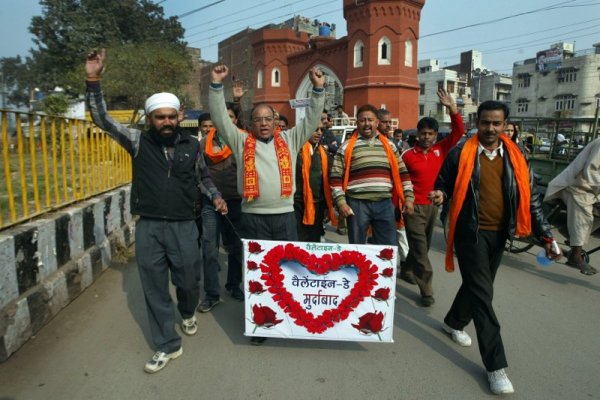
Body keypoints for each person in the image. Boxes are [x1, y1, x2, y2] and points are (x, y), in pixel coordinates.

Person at [85, 49, 227, 373]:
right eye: (159, 117)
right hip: (149, 227)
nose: (166, 121)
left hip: (184, 226)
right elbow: (101, 120)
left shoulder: (191, 145)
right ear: (150, 119)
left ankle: (188, 311)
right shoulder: (137, 141)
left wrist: (216, 196)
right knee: (154, 288)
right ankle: (167, 344)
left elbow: (203, 177)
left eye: (170, 116)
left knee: (189, 281)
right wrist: (93, 80)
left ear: (179, 116)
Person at [430, 100, 559, 395]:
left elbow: (532, 199)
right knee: (484, 296)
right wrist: (440, 193)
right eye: (485, 122)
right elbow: (444, 182)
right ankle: (496, 366)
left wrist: (548, 236)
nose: (490, 129)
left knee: (478, 287)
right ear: (478, 122)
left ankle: (453, 322)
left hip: (500, 235)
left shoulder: (517, 156)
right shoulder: (461, 152)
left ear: (506, 125)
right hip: (468, 233)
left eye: (496, 123)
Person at [209, 64, 325, 345]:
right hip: (252, 218)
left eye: (268, 119)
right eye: (257, 119)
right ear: (250, 124)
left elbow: (311, 119)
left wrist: (318, 89)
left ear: (275, 122)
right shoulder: (241, 141)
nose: (263, 123)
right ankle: (260, 324)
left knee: (288, 271)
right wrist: (216, 86)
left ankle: (288, 316)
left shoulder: (290, 139)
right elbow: (221, 120)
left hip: (285, 217)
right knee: (258, 273)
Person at [400, 88, 465, 307]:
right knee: (420, 247)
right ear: (417, 135)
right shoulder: (407, 156)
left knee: (423, 246)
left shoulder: (442, 149)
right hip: (412, 208)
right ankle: (426, 289)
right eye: (423, 133)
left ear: (436, 136)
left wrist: (452, 108)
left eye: (430, 134)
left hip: (432, 206)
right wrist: (400, 206)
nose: (426, 137)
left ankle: (407, 269)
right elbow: (399, 182)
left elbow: (458, 131)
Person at [330, 104, 415, 246]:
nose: (367, 124)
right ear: (357, 123)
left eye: (370, 120)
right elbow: (335, 178)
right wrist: (341, 203)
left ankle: (385, 269)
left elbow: (403, 174)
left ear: (377, 123)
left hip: (385, 203)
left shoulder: (390, 145)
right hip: (357, 204)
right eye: (362, 120)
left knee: (388, 247)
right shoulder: (345, 147)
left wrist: (409, 198)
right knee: (357, 248)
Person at [197, 101, 247, 313]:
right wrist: (212, 196)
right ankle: (212, 294)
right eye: (222, 117)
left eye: (231, 117)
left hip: (238, 202)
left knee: (237, 248)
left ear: (236, 120)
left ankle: (233, 285)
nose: (227, 121)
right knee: (209, 249)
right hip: (211, 202)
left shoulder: (246, 141)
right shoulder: (203, 144)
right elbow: (199, 174)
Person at [545, 137, 600, 275]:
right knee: (584, 213)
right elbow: (590, 170)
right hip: (576, 185)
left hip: (593, 188)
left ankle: (570, 232)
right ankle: (575, 256)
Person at [294, 126, 337, 242]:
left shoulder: (324, 153)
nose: (319, 133)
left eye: (321, 130)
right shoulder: (295, 151)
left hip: (318, 204)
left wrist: (329, 206)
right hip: (298, 203)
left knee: (314, 241)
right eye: (315, 129)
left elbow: (330, 178)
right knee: (298, 240)